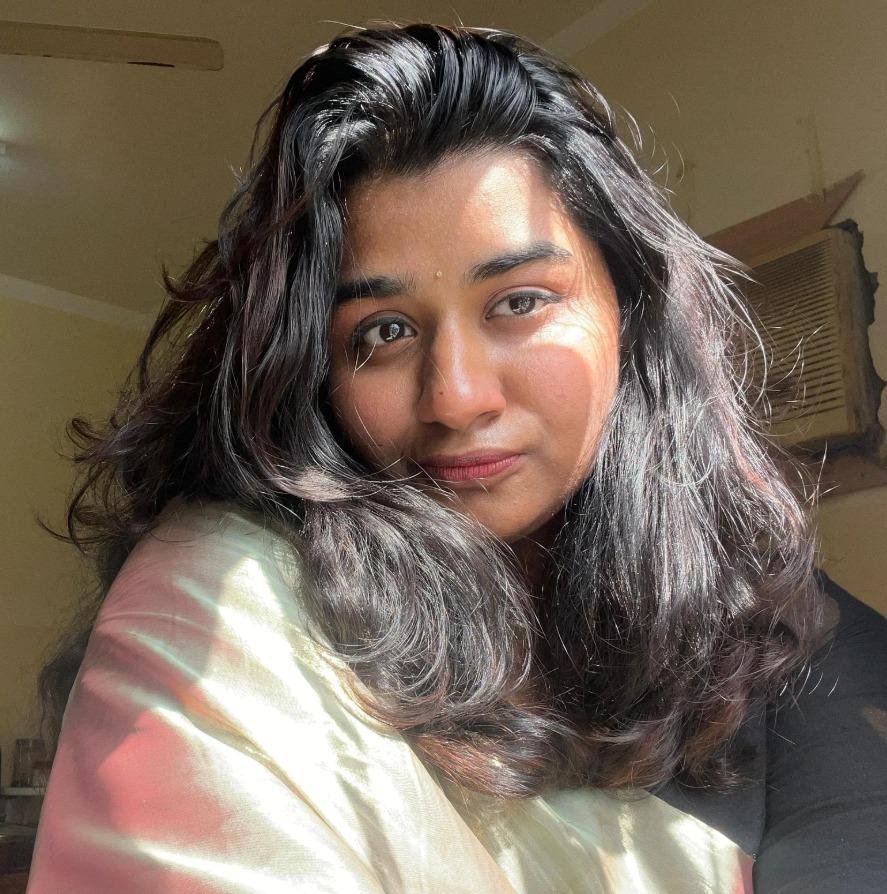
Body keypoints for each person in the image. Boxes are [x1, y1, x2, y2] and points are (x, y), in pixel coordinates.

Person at [26, 22, 886, 893]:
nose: (456, 397)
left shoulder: (772, 613)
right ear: (313, 371)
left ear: (627, 312)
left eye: (518, 301)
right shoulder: (232, 603)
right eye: (383, 332)